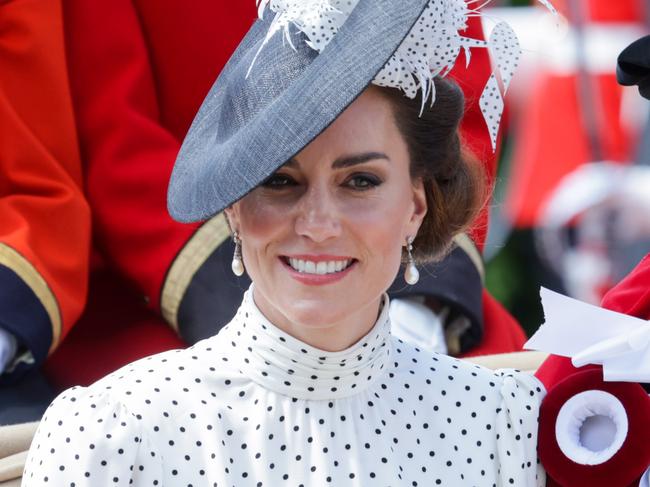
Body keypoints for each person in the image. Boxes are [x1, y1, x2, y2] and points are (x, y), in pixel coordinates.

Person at [22, 1, 550, 485]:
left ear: (416, 206)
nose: (317, 224)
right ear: (232, 204)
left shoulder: (503, 423)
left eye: (361, 181)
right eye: (279, 180)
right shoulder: (109, 432)